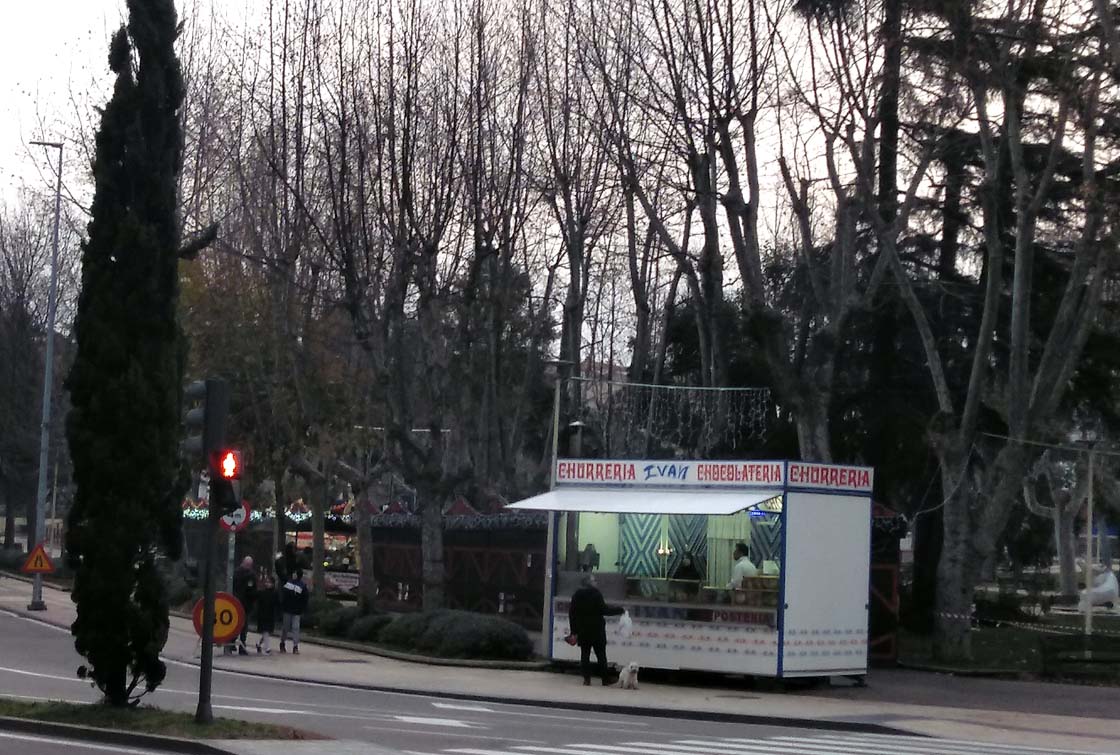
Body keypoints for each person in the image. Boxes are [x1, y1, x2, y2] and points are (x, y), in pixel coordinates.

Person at [568, 575, 624, 686]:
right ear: (589, 582)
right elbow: (604, 610)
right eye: (594, 580)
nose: (596, 582)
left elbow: (572, 614)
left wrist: (574, 631)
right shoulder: (596, 594)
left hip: (583, 630)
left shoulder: (577, 595)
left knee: (585, 654)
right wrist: (619, 609)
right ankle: (605, 678)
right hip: (597, 630)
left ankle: (586, 679)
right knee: (601, 655)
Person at [279, 568, 309, 654]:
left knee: (296, 628)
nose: (293, 575)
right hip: (287, 610)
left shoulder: (302, 586)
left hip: (297, 611)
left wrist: (302, 609)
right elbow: (284, 595)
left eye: (295, 573)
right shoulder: (289, 583)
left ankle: (295, 646)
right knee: (285, 628)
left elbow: (305, 598)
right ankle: (282, 643)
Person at [231, 556, 257, 655]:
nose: (248, 566)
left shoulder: (241, 573)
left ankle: (237, 644)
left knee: (240, 625)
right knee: (239, 625)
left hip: (242, 604)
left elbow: (253, 590)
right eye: (247, 564)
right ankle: (235, 644)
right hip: (241, 603)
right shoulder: (243, 574)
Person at [255, 574, 277, 654]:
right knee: (266, 631)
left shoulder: (274, 593)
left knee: (267, 632)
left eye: (269, 582)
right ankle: (267, 648)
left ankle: (258, 643)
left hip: (270, 614)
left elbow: (276, 604)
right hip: (263, 614)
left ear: (273, 584)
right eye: (267, 582)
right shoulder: (262, 592)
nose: (267, 584)